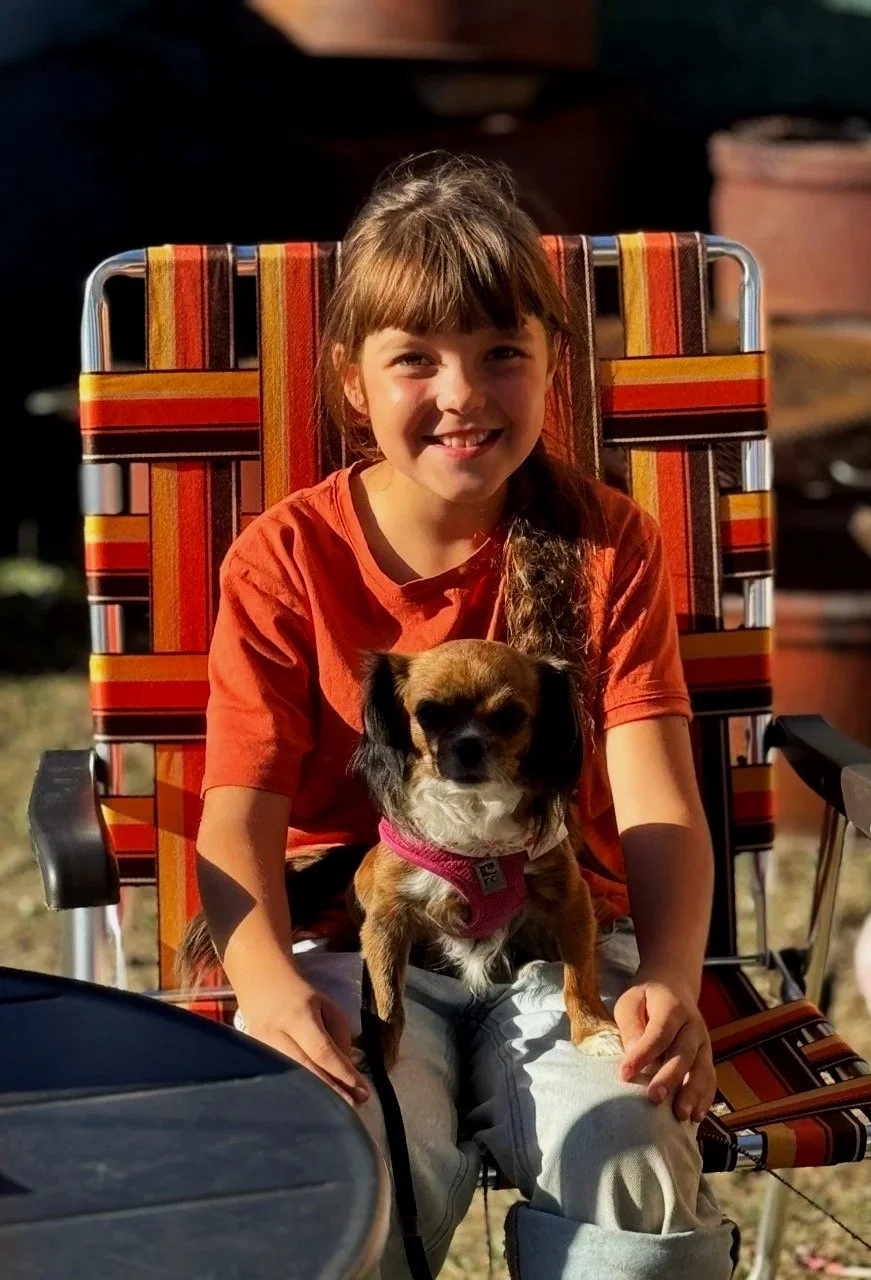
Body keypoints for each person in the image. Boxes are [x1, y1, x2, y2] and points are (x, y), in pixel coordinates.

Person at [196, 154, 737, 1279]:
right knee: (349, 1153)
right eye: (416, 361)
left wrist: (673, 982)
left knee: (630, 1144)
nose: (462, 395)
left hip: (562, 937)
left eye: (502, 353)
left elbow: (657, 799)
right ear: (354, 381)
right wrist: (266, 983)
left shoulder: (605, 546)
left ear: (553, 366)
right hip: (355, 943)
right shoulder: (285, 561)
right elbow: (234, 822)